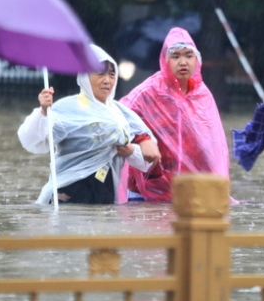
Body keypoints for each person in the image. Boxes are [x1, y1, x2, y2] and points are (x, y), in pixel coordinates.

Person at [17, 45, 159, 204]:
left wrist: (131, 150)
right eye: (100, 74)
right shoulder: (67, 108)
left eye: (112, 74)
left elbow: (147, 161)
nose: (107, 80)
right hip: (70, 192)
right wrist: (43, 112)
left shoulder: (120, 113)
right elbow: (32, 141)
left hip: (105, 192)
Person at [119, 27, 230, 202]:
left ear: (197, 60)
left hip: (189, 191)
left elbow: (213, 145)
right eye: (176, 56)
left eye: (188, 55)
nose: (183, 62)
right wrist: (143, 139)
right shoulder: (149, 91)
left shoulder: (202, 95)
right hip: (145, 190)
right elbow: (119, 114)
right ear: (165, 60)